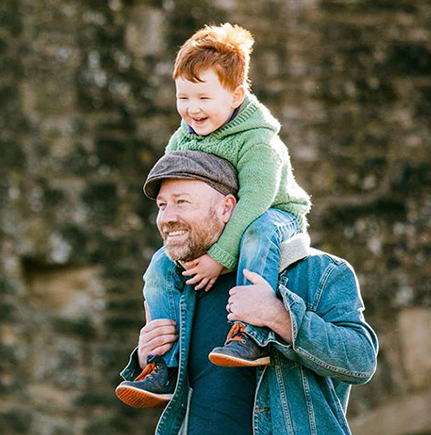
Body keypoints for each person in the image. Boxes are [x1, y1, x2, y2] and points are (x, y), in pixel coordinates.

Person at [116, 151, 378, 434]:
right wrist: (149, 355)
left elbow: (360, 361)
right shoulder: (176, 287)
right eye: (162, 205)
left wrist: (279, 317)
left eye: (182, 202)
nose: (167, 218)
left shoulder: (318, 271)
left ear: (227, 208)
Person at [129, 23, 313, 404]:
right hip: (222, 223)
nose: (192, 109)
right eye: (183, 97)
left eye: (203, 97)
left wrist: (219, 258)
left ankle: (249, 333)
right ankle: (162, 363)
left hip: (274, 215)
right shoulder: (184, 137)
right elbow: (175, 191)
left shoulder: (259, 141)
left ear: (236, 95)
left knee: (258, 233)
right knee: (159, 265)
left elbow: (255, 201)